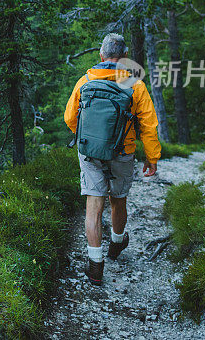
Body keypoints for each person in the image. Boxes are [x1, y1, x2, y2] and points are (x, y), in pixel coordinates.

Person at [63, 32, 161, 285]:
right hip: (123, 151)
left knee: (93, 208)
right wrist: (152, 158)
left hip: (90, 152)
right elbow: (148, 126)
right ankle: (117, 243)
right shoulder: (135, 84)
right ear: (125, 57)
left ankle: (95, 265)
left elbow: (70, 118)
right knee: (118, 200)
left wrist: (90, 138)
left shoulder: (85, 81)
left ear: (101, 55)